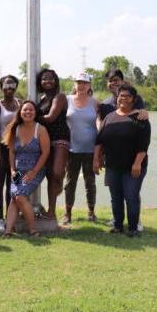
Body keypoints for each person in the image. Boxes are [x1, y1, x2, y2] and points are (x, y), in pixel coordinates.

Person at [93, 84, 151, 237]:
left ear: (133, 99)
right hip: (112, 166)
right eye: (121, 95)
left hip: (133, 166)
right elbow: (99, 141)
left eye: (127, 96)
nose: (123, 98)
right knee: (116, 197)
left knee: (131, 196)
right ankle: (118, 226)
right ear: (117, 98)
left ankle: (133, 228)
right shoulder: (109, 118)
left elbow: (144, 145)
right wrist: (96, 159)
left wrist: (137, 163)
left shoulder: (140, 118)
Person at [2, 101, 50, 237]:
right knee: (14, 197)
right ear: (20, 112)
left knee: (20, 196)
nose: (28, 112)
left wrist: (34, 172)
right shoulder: (15, 129)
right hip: (17, 170)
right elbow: (11, 152)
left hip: (34, 170)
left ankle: (33, 229)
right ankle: (8, 231)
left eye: (31, 110)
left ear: (35, 113)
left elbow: (45, 153)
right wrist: (12, 170)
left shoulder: (40, 129)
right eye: (25, 110)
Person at [62, 72, 98, 224]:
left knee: (90, 182)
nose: (81, 85)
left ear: (89, 85)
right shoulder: (67, 100)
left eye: (84, 82)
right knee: (70, 183)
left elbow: (102, 123)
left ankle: (91, 212)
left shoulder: (95, 103)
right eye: (79, 82)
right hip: (71, 150)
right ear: (74, 85)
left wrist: (100, 152)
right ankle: (67, 213)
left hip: (90, 150)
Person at [36, 69, 70, 221]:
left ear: (56, 81)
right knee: (50, 176)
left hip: (60, 138)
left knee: (56, 173)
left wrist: (30, 115)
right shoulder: (41, 99)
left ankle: (61, 179)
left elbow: (50, 118)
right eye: (44, 79)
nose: (47, 81)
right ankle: (51, 211)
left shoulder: (60, 97)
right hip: (45, 141)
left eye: (50, 78)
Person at [0, 75, 21, 232]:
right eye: (6, 85)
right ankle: (0, 219)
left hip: (16, 150)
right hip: (0, 149)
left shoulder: (20, 104)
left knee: (13, 185)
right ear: (1, 87)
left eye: (12, 85)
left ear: (16, 87)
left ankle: (11, 219)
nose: (9, 88)